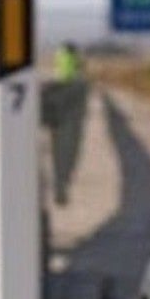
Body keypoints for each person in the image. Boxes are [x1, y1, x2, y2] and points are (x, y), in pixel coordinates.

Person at [46, 42, 88, 205]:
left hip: (59, 92)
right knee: (68, 149)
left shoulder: (59, 54)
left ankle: (59, 186)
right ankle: (61, 186)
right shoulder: (75, 58)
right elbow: (79, 71)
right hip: (71, 95)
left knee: (59, 149)